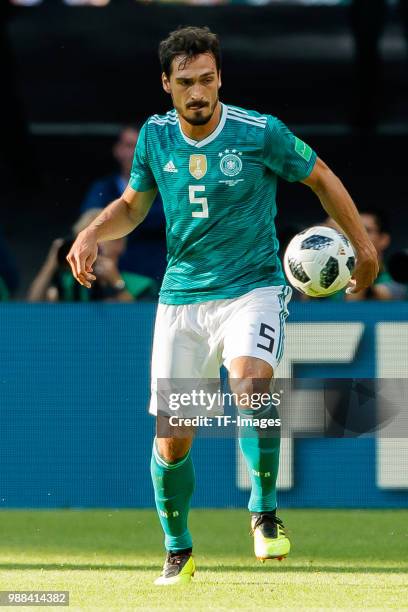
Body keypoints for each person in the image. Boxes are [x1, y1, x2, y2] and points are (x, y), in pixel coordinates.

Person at [66, 26, 379, 586]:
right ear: (166, 84)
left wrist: (362, 244)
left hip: (251, 288)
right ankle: (178, 549)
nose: (198, 92)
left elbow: (322, 177)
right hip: (181, 299)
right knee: (174, 432)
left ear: (219, 78)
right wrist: (93, 232)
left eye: (207, 79)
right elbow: (134, 208)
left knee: (252, 384)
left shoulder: (260, 133)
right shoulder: (155, 138)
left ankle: (263, 512)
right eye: (185, 82)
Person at [80, 126, 167, 281]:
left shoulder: (166, 189)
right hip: (104, 276)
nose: (134, 153)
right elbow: (87, 221)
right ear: (117, 150)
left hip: (155, 277)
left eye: (140, 147)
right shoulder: (102, 188)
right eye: (129, 146)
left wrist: (116, 219)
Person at [28, 209, 158, 302]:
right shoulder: (68, 285)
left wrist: (117, 284)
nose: (88, 249)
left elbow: (137, 325)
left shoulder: (141, 285)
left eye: (96, 240)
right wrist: (52, 263)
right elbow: (33, 306)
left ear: (120, 243)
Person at [326, 208, 406, 300]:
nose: (355, 236)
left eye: (366, 230)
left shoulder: (397, 277)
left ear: (383, 239)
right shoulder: (332, 277)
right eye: (350, 230)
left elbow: (354, 305)